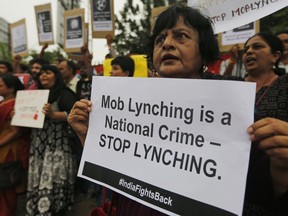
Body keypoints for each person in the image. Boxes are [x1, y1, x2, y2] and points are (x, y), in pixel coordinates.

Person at [68, 4, 288, 216]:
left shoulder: (231, 110)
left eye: (181, 36)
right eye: (160, 39)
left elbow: (264, 190)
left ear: (203, 49)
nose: (167, 44)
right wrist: (91, 137)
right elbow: (114, 174)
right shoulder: (129, 105)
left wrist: (281, 162)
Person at [243, 32, 288, 215]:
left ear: (275, 56)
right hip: (234, 189)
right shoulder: (231, 86)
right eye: (246, 50)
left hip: (275, 191)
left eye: (257, 46)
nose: (249, 52)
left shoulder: (285, 86)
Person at [26, 65, 78, 216]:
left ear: (56, 76)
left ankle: (54, 209)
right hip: (39, 144)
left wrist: (55, 115)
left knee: (54, 176)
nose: (43, 75)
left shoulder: (64, 93)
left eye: (48, 73)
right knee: (40, 175)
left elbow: (75, 115)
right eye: (41, 73)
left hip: (58, 144)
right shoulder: (34, 95)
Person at [0, 74, 29, 216]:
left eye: (1, 85)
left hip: (8, 150)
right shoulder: (3, 103)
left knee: (7, 186)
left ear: (11, 88)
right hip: (3, 148)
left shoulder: (16, 105)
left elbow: (16, 131)